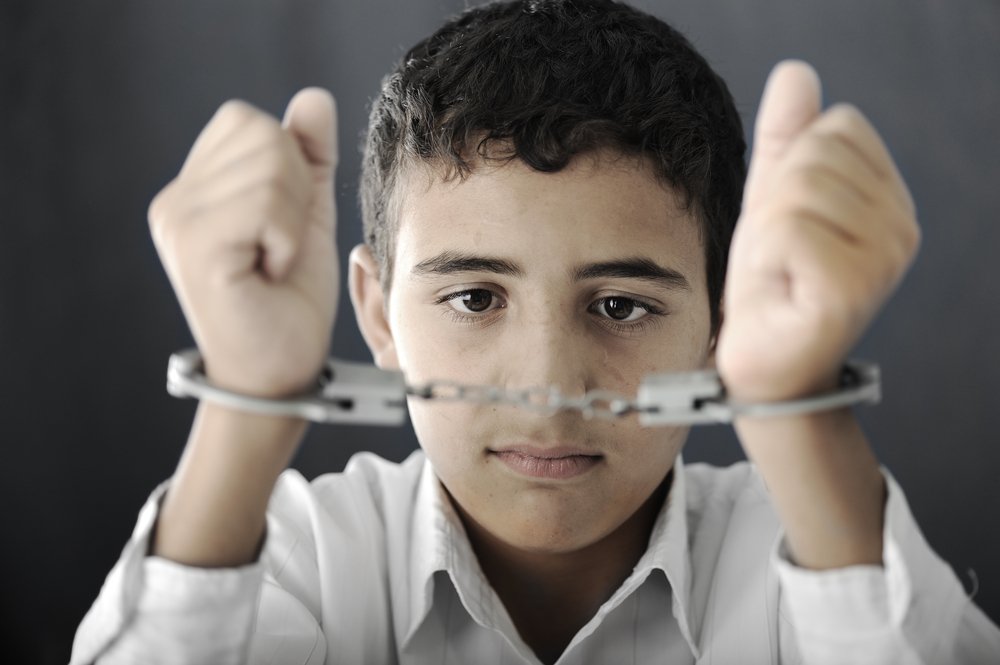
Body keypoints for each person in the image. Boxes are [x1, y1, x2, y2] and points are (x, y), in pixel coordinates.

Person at [71, 1, 999, 663]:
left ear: (722, 321)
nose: (549, 381)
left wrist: (795, 405)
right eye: (475, 298)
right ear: (374, 313)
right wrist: (249, 399)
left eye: (622, 304)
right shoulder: (294, 557)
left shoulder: (804, 551)